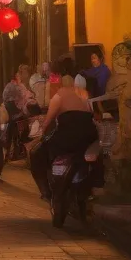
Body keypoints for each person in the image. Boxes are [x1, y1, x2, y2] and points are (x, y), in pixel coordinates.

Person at [29, 59, 98, 200]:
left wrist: (39, 135)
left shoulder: (59, 95)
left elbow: (48, 122)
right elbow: (93, 114)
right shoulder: (84, 94)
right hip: (88, 136)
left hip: (66, 138)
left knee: (36, 154)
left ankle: (46, 192)